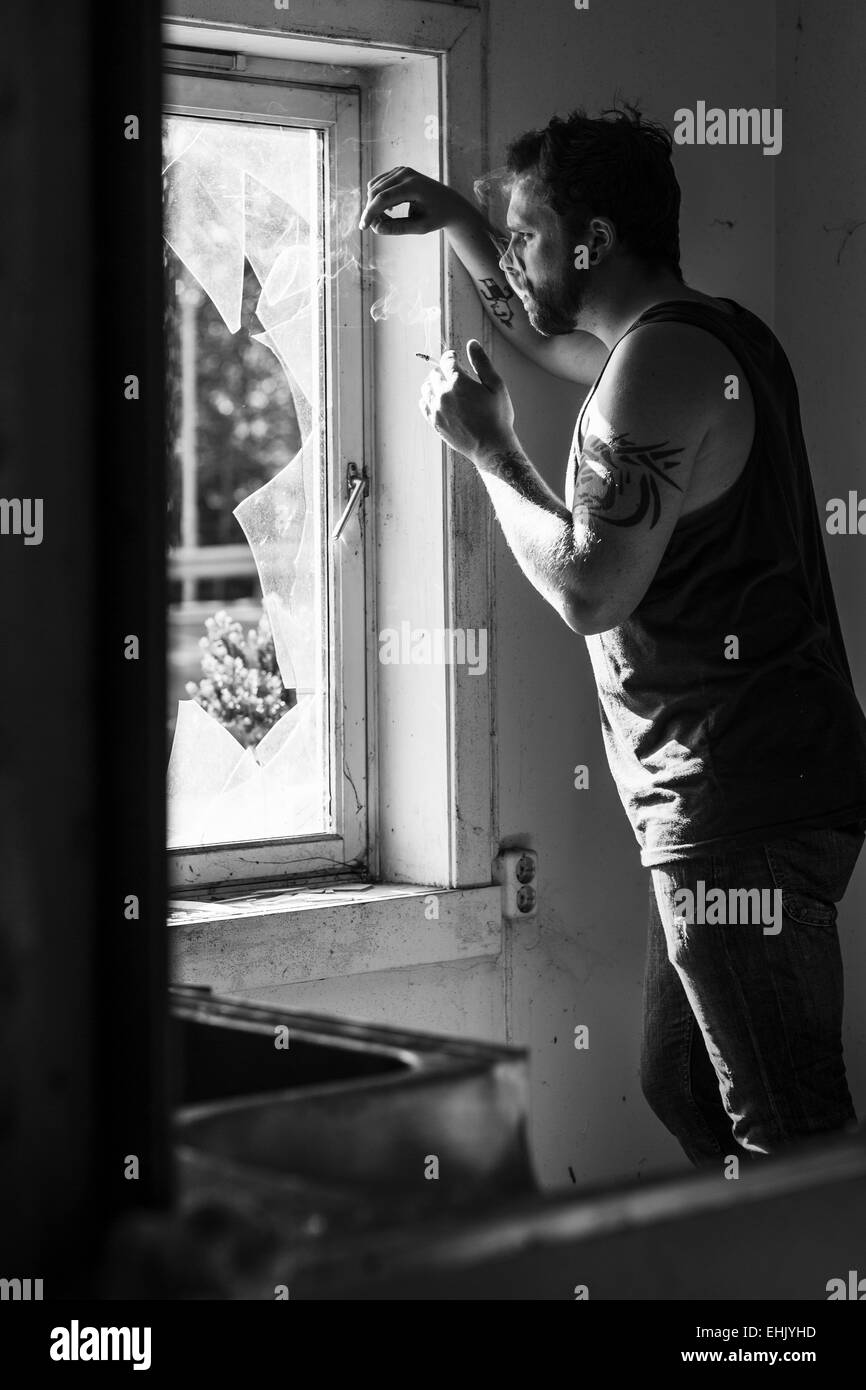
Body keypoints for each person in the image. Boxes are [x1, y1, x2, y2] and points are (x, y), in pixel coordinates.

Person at [359, 105, 866, 1167]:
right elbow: (535, 328)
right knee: (682, 1081)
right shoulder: (690, 341)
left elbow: (592, 588)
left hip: (737, 802)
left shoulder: (655, 370)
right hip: (746, 791)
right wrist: (460, 219)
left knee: (790, 1136)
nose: (512, 255)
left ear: (591, 242)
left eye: (528, 233)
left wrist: (490, 453)